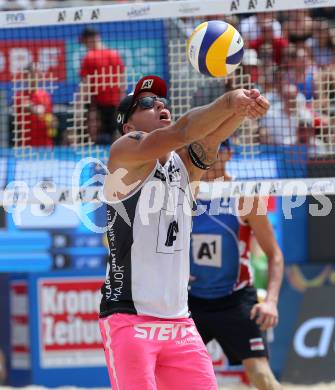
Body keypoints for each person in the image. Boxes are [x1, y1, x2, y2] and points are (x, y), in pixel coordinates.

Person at [99, 74, 270, 389]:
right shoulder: (124, 152)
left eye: (161, 100)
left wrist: (242, 108)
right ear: (129, 126)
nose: (159, 104)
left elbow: (208, 140)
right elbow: (184, 131)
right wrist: (229, 101)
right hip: (129, 319)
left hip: (180, 322)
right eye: (147, 103)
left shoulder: (181, 169)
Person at [188, 140, 284, 390]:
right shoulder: (183, 194)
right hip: (191, 301)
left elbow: (275, 254)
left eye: (214, 149)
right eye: (200, 149)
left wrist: (271, 302)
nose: (206, 155)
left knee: (261, 375)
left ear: (229, 154)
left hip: (236, 299)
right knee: (167, 374)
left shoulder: (243, 196)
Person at [79, 27, 125, 145]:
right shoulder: (115, 54)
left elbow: (86, 84)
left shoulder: (89, 57)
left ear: (89, 40)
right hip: (115, 104)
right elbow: (122, 81)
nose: (85, 46)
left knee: (93, 138)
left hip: (97, 105)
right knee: (116, 136)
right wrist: (122, 103)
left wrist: (79, 105)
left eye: (84, 43)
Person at [13, 63, 56, 147]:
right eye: (33, 73)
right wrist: (37, 110)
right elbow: (29, 107)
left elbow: (50, 116)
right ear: (25, 76)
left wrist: (54, 122)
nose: (36, 76)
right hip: (26, 147)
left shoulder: (45, 95)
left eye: (38, 73)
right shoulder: (19, 96)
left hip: (46, 146)